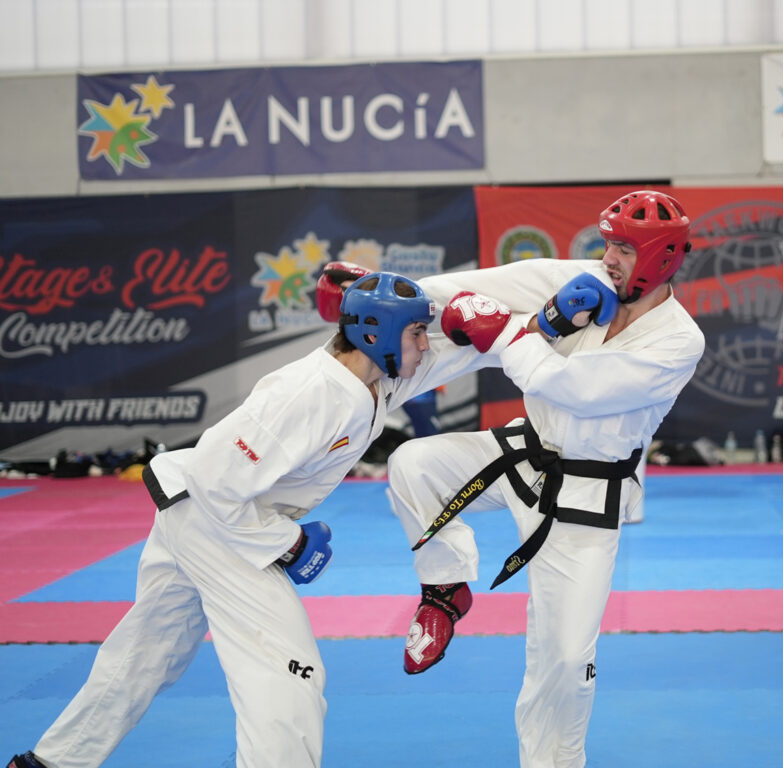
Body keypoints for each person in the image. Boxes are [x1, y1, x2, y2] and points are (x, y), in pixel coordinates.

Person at [8, 271, 523, 768]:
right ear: (377, 336)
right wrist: (288, 542)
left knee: (145, 656)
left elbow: (457, 353)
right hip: (214, 521)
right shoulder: (306, 395)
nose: (426, 344)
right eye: (416, 333)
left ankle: (48, 763)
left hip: (208, 514)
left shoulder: (379, 376)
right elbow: (213, 481)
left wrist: (524, 329)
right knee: (288, 676)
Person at [387, 190, 706, 767]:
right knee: (411, 465)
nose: (608, 258)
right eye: (608, 244)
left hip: (586, 496)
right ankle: (444, 590)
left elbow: (575, 389)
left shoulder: (679, 340)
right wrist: (389, 291)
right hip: (522, 453)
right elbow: (484, 286)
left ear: (660, 257)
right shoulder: (585, 278)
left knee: (563, 662)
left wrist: (505, 333)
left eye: (624, 249)